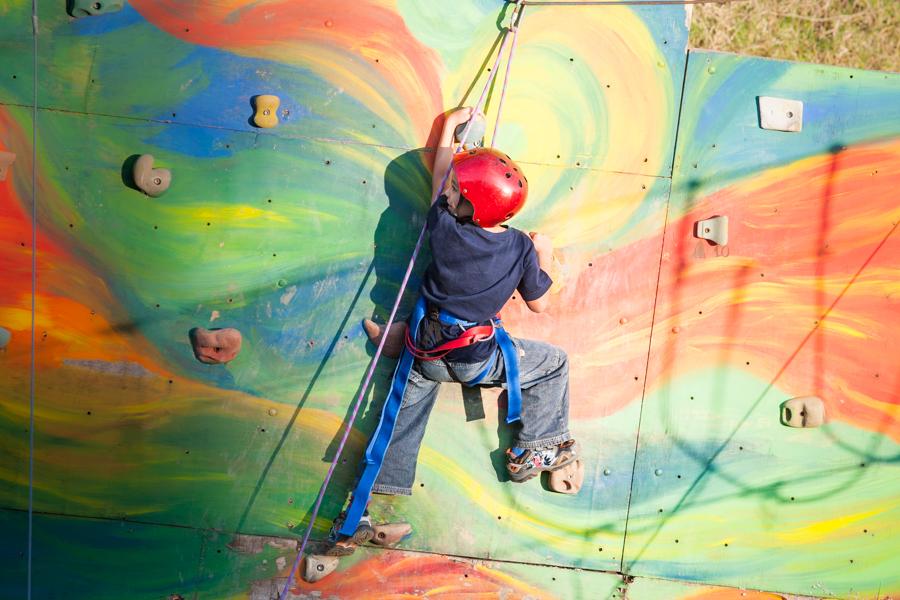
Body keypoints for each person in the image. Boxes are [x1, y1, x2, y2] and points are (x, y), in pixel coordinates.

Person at [328, 106, 578, 555]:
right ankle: (532, 451)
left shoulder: (443, 227)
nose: (450, 196)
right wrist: (544, 251)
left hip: (424, 350)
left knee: (400, 421)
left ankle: (360, 509)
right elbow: (539, 304)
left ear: (472, 206)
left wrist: (447, 128)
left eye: (459, 193)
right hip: (473, 358)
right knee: (553, 362)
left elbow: (440, 176)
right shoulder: (520, 247)